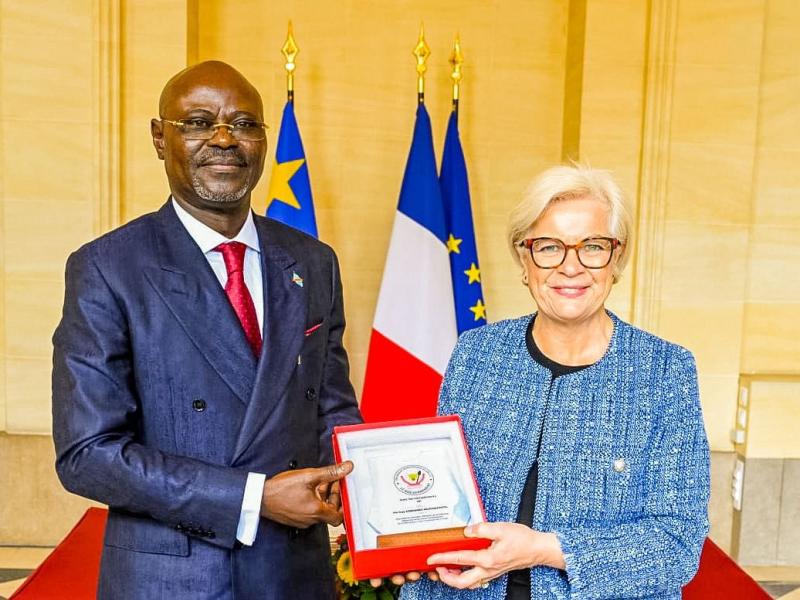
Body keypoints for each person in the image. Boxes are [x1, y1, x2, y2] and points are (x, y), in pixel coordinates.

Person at [52, 60, 362, 599]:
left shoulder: (313, 262)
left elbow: (330, 407)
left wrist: (384, 497)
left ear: (264, 141)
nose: (224, 139)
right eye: (198, 122)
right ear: (158, 137)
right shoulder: (108, 267)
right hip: (172, 581)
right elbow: (88, 454)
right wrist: (253, 497)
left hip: (295, 576)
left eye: (244, 124)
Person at [399, 164, 710, 599]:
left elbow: (676, 546)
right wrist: (400, 546)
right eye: (549, 247)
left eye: (593, 246)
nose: (570, 267)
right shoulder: (475, 354)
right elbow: (440, 497)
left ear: (616, 259)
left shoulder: (664, 371)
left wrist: (545, 550)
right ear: (524, 259)